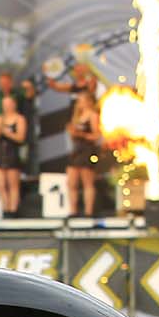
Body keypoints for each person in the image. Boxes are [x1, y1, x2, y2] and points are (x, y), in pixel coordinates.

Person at [53, 64, 105, 219]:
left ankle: (88, 211)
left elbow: (96, 135)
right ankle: (73, 210)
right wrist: (72, 133)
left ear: (88, 101)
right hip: (76, 150)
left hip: (87, 150)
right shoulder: (76, 117)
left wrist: (81, 134)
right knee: (71, 182)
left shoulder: (93, 115)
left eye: (82, 101)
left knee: (87, 181)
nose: (79, 103)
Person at [0, 92, 28, 216]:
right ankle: (5, 208)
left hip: (12, 153)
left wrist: (6, 132)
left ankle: (13, 209)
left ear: (14, 105)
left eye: (8, 104)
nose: (6, 107)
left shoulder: (20, 119)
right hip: (0, 153)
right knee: (0, 184)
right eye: (4, 105)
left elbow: (20, 138)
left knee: (13, 184)